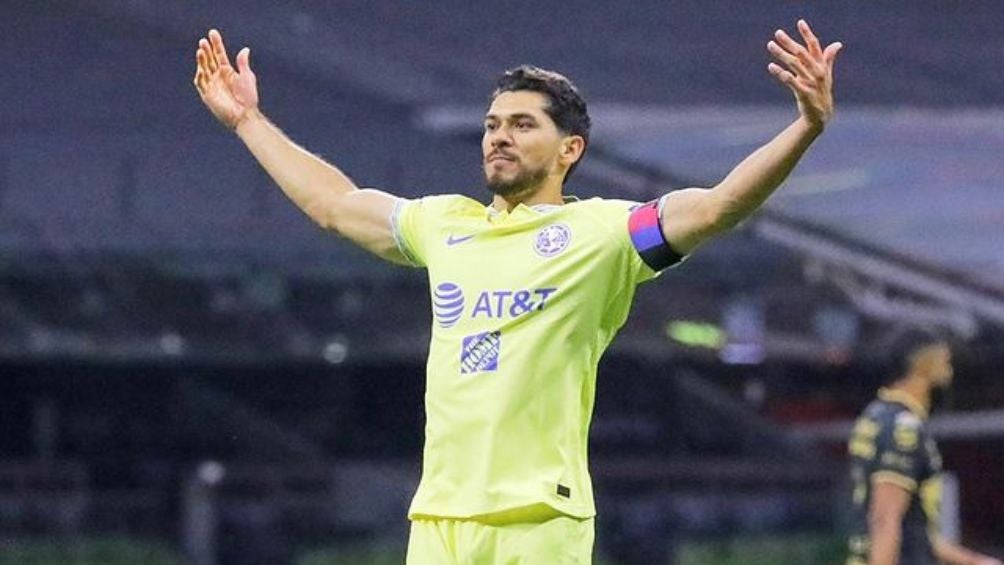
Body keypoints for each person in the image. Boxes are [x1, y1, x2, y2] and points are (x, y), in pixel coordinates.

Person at [194, 19, 840, 564]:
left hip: (535, 517)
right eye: (493, 123)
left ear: (570, 149)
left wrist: (806, 127)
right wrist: (248, 120)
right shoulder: (445, 224)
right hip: (440, 516)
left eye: (524, 124)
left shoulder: (603, 232)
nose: (500, 135)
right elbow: (335, 204)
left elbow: (720, 206)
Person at [847, 330, 1002, 565]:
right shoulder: (903, 428)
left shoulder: (876, 415)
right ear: (924, 364)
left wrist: (975, 562)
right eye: (945, 361)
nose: (949, 370)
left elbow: (915, 535)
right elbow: (885, 519)